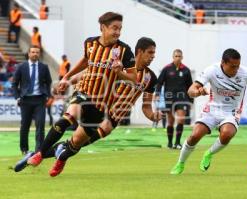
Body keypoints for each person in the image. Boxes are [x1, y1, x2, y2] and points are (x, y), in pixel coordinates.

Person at [15, 37, 161, 176]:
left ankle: (46, 155)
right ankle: (39, 154)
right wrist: (68, 81)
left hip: (114, 118)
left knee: (77, 142)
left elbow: (146, 106)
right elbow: (89, 72)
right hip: (98, 106)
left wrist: (153, 116)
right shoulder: (120, 63)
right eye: (150, 52)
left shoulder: (151, 78)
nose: (153, 56)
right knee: (70, 125)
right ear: (140, 52)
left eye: (154, 53)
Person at [13, 11, 136, 170]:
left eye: (120, 28)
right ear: (103, 27)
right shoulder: (90, 43)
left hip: (101, 104)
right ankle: (40, 154)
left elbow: (134, 78)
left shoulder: (124, 50)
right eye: (114, 28)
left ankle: (62, 157)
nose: (118, 32)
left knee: (77, 142)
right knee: (68, 117)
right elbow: (85, 61)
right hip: (84, 91)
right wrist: (66, 77)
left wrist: (119, 72)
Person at [170, 48, 247, 175]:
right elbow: (191, 90)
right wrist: (197, 92)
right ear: (223, 63)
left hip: (232, 111)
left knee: (227, 134)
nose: (235, 70)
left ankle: (209, 153)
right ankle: (180, 163)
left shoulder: (245, 73)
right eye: (232, 66)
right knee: (195, 135)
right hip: (213, 109)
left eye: (238, 66)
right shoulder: (212, 70)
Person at [12, 46, 52, 155]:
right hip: (25, 100)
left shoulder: (44, 67)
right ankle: (24, 149)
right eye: (33, 52)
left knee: (40, 125)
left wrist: (48, 95)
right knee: (25, 125)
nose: (35, 54)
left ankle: (39, 150)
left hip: (40, 100)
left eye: (37, 52)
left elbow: (48, 82)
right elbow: (14, 83)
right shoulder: (21, 67)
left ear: (39, 54)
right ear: (29, 54)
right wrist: (17, 97)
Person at [156, 49, 193, 149]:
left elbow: (190, 86)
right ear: (173, 57)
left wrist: (191, 101)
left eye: (179, 56)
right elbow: (159, 82)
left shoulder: (186, 70)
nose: (177, 58)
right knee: (171, 121)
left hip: (182, 99)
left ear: (182, 57)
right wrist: (157, 94)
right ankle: (169, 142)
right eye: (176, 56)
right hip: (169, 98)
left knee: (180, 120)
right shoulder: (167, 69)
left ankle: (177, 142)